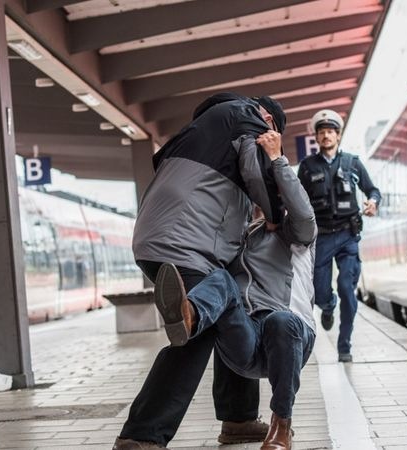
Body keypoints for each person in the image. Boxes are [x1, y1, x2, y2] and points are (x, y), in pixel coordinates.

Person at [114, 93, 287, 450]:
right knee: (195, 331)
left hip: (157, 238)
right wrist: (274, 216)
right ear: (270, 119)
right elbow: (259, 173)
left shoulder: (199, 131)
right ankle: (142, 434)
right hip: (184, 245)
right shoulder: (248, 116)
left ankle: (239, 419)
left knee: (230, 309)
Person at [152, 127, 316, 450]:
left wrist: (277, 159)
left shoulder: (296, 235)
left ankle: (281, 425)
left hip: (290, 336)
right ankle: (190, 316)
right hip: (246, 343)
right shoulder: (236, 240)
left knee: (280, 321)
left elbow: (304, 213)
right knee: (222, 281)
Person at [297, 109, 381, 363]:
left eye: (330, 132)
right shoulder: (307, 167)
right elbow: (297, 196)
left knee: (347, 286)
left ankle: (344, 345)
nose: (325, 136)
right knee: (320, 293)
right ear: (316, 137)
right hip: (321, 238)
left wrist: (373, 202)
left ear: (338, 135)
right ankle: (328, 306)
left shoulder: (353, 163)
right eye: (321, 132)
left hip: (348, 235)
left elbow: (373, 190)